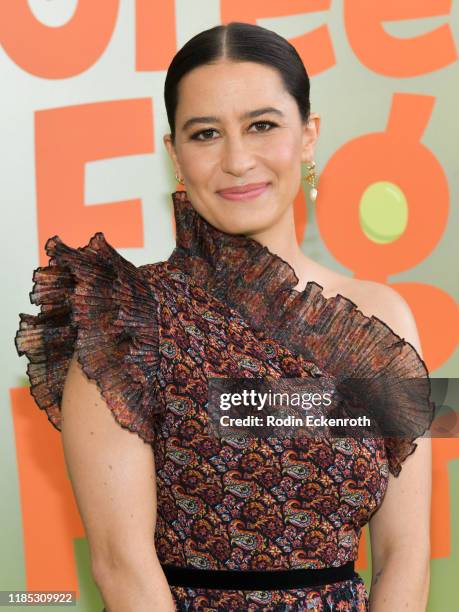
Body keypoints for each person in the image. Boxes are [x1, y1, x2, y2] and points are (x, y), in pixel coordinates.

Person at [15, 22, 435, 612]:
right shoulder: (125, 321)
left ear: (309, 136)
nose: (238, 160)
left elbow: (407, 556)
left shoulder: (382, 320)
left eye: (262, 125)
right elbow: (121, 568)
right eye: (206, 133)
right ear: (175, 153)